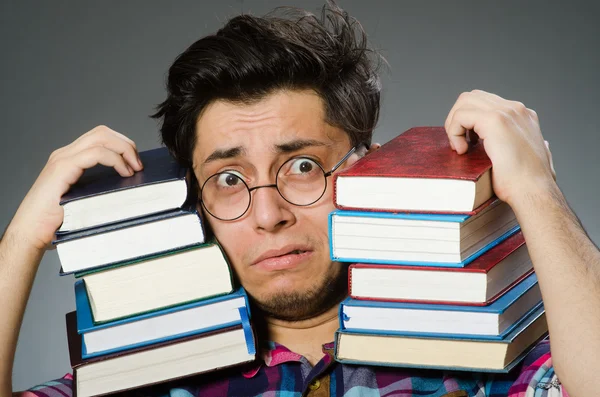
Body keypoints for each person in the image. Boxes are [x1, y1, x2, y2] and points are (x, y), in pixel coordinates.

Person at [2, 3, 598, 397]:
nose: (268, 216)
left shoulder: (480, 352)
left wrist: (537, 191)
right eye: (230, 180)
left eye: (303, 167)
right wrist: (23, 239)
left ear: (372, 170)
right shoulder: (145, 375)